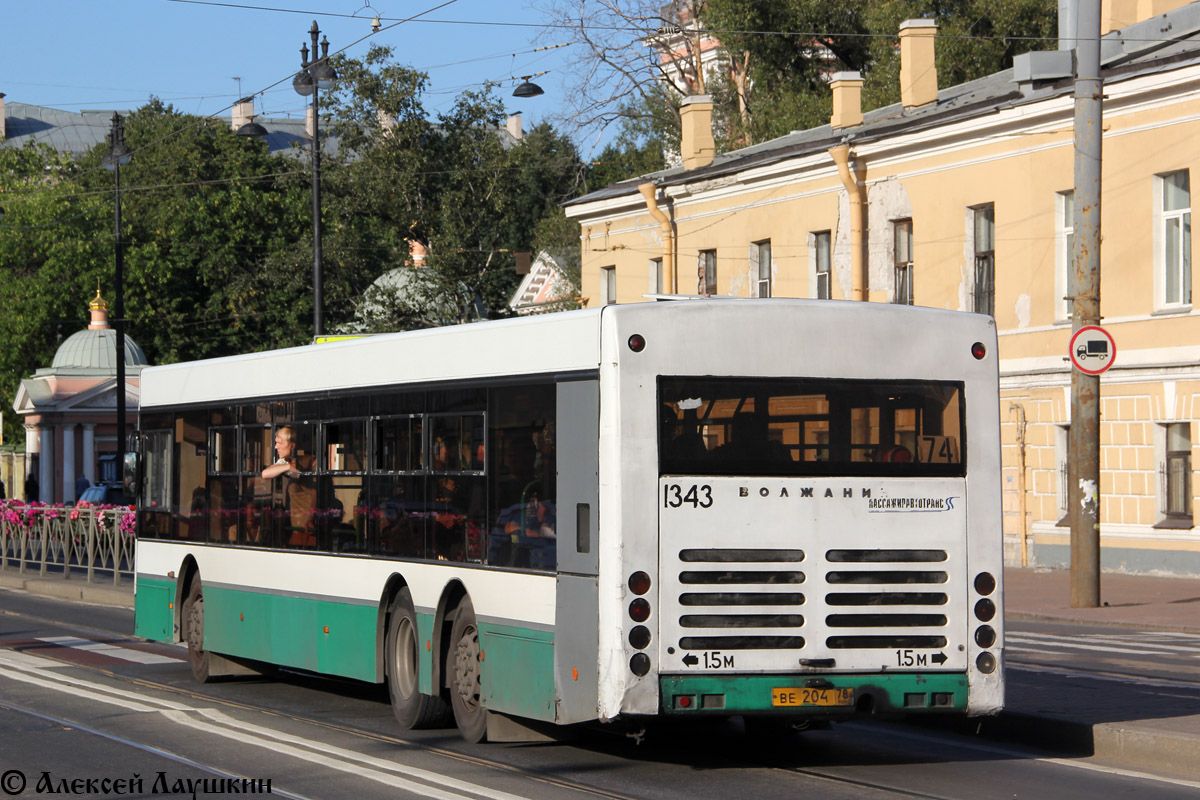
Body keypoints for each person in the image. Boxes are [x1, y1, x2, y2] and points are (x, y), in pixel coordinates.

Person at [261, 425, 316, 546]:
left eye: (279, 443)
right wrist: (287, 466)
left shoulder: (310, 462)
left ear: (292, 445)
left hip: (309, 528)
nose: (276, 447)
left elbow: (314, 491)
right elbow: (265, 473)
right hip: (296, 529)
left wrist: (311, 518)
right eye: (275, 443)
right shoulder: (284, 462)